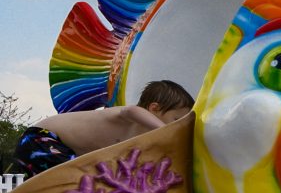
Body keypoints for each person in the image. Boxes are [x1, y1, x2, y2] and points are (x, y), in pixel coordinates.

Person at [12, 80, 194, 179]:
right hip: (41, 139)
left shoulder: (140, 137)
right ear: (154, 108)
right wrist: (169, 130)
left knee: (69, 186)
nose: (175, 125)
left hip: (54, 148)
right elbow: (131, 110)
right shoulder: (133, 116)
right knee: (80, 181)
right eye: (175, 119)